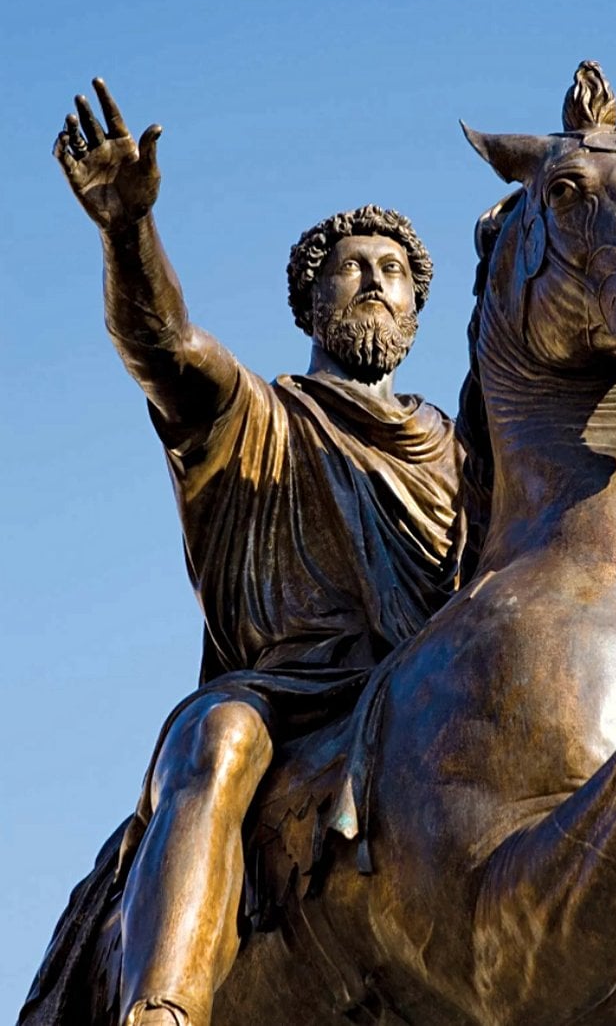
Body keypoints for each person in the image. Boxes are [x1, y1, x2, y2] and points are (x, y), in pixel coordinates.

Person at [43, 79, 465, 1026]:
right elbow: (159, 342)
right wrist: (126, 232)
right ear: (309, 301)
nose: (372, 280)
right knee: (214, 736)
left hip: (434, 692)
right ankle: (163, 1005)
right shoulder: (253, 414)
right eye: (350, 267)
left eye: (392, 271)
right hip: (293, 687)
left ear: (415, 307)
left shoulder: (463, 450)